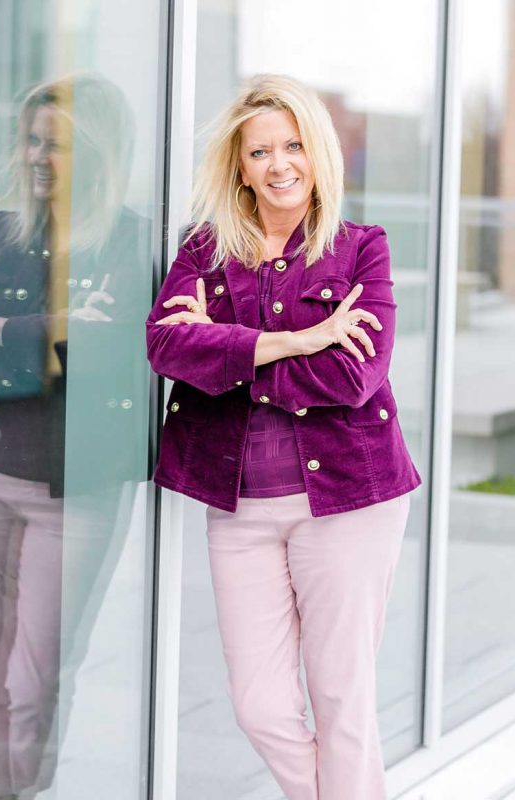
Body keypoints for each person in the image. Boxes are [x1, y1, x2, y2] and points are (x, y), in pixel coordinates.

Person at [146, 74, 422, 800]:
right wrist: (298, 339)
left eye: (293, 145)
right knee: (260, 706)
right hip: (240, 510)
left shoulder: (362, 248)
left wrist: (228, 351)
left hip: (347, 501)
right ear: (239, 166)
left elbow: (352, 379)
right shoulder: (205, 251)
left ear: (317, 151)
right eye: (260, 151)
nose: (280, 165)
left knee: (341, 699)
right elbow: (166, 349)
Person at [0, 73, 149, 800]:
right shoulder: (3, 233)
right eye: (34, 140)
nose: (39, 156)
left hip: (74, 488)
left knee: (33, 678)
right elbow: (58, 344)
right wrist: (47, 332)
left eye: (60, 145)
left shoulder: (131, 242)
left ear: (100, 154)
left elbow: (100, 351)